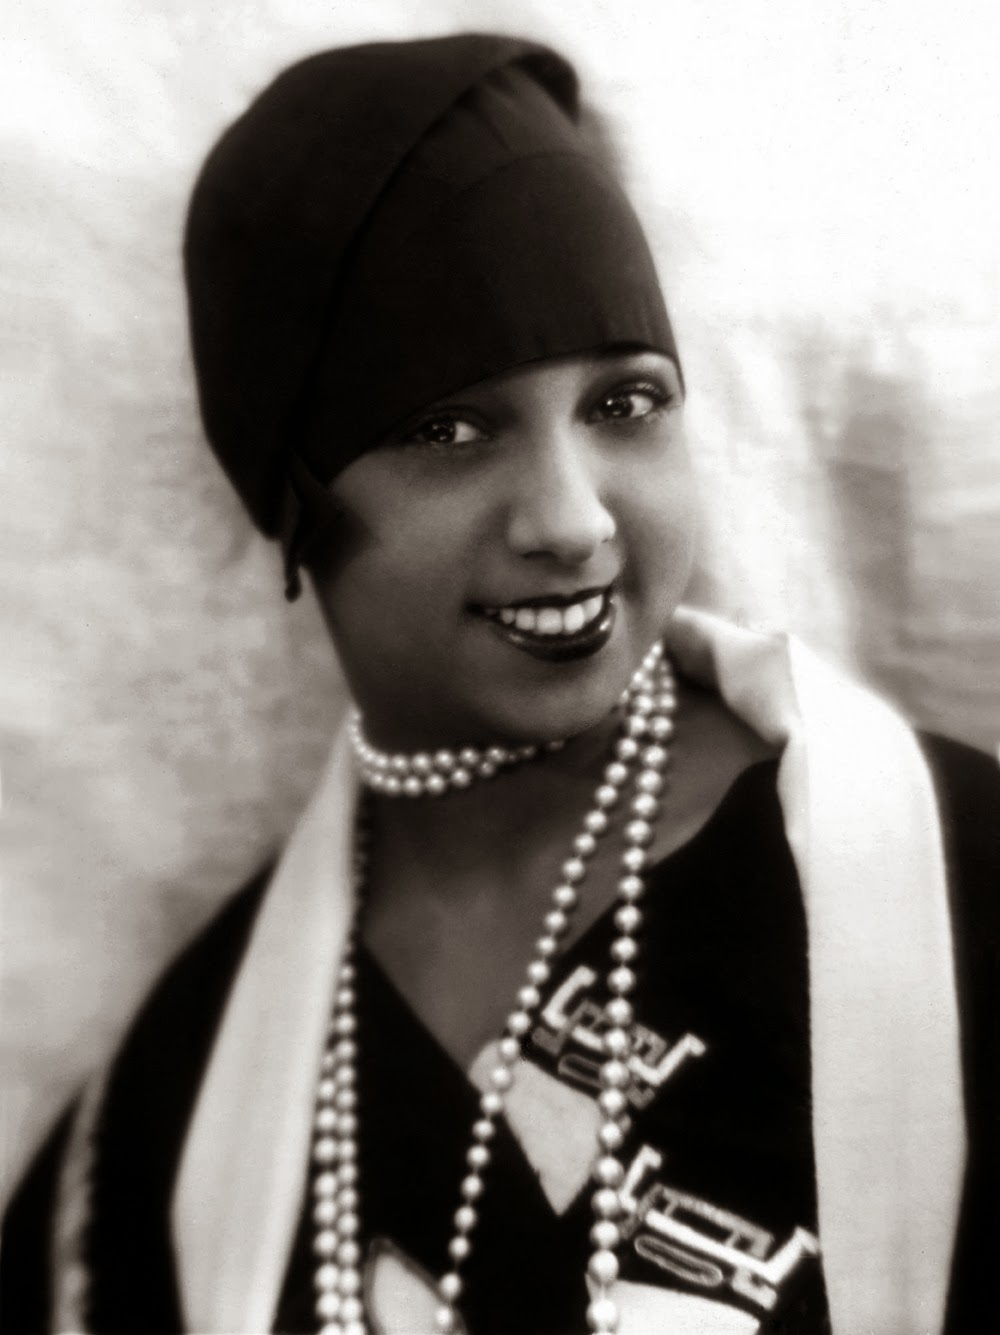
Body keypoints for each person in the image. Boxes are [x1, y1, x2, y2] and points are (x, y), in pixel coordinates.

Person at [2, 32, 997, 1335]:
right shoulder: (164, 1130)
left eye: (625, 404)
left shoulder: (953, 886)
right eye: (448, 429)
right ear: (293, 499)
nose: (572, 521)